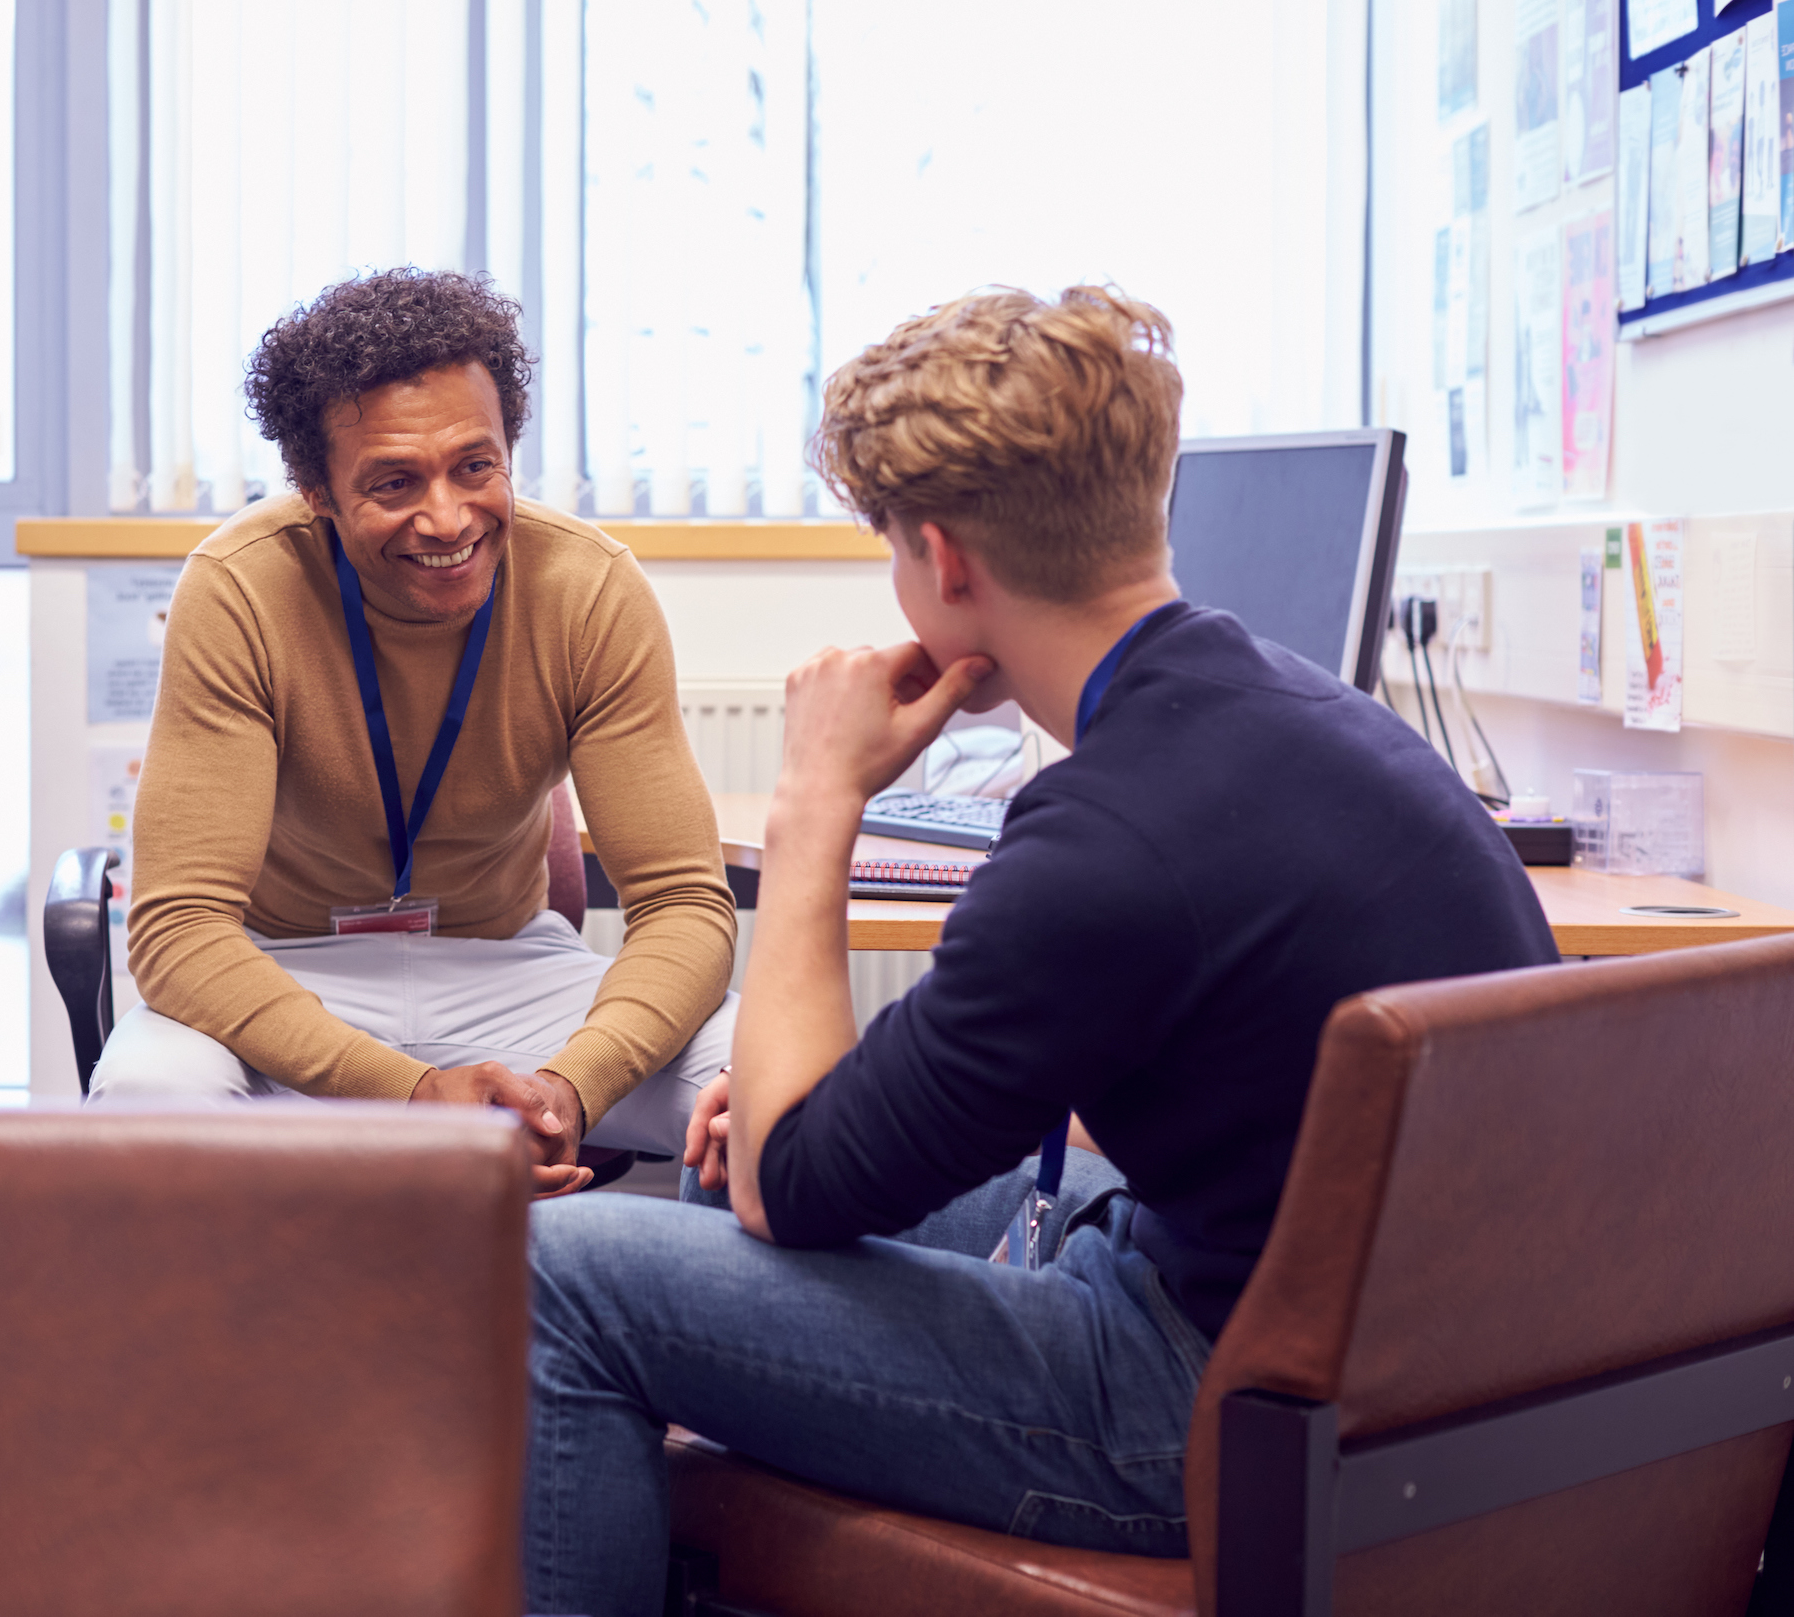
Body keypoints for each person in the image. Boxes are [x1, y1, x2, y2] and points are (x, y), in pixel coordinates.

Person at [521, 286, 1559, 1614]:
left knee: (563, 1275)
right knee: (725, 1168)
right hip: (1388, 1346)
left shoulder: (1108, 841)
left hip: (1216, 1405)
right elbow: (823, 1144)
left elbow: (799, 1183)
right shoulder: (1297, 706)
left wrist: (814, 800)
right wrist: (790, 1138)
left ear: (945, 563)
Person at [92, 268, 739, 1196]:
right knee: (148, 1099)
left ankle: (664, 1329)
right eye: (394, 481)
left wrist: (568, 1088)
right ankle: (235, 1347)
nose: (447, 517)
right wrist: (409, 1092)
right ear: (317, 488)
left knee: (767, 1080)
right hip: (287, 973)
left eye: (475, 465)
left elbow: (684, 906)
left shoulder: (589, 589)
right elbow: (180, 930)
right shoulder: (239, 589)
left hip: (509, 973)